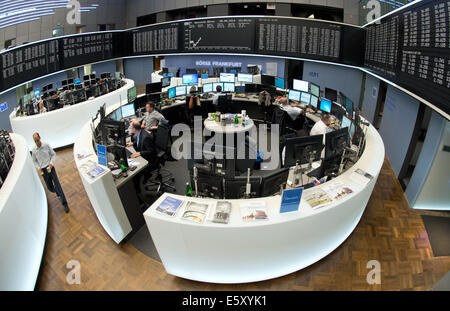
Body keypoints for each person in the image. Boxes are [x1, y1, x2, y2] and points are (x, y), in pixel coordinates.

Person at [31, 133, 69, 213]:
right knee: (50, 188)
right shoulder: (34, 150)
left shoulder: (46, 145)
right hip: (43, 171)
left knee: (58, 185)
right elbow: (34, 161)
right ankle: (57, 192)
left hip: (50, 168)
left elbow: (53, 154)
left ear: (40, 138)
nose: (37, 142)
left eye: (37, 140)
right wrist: (39, 168)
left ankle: (65, 203)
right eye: (35, 141)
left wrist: (51, 163)